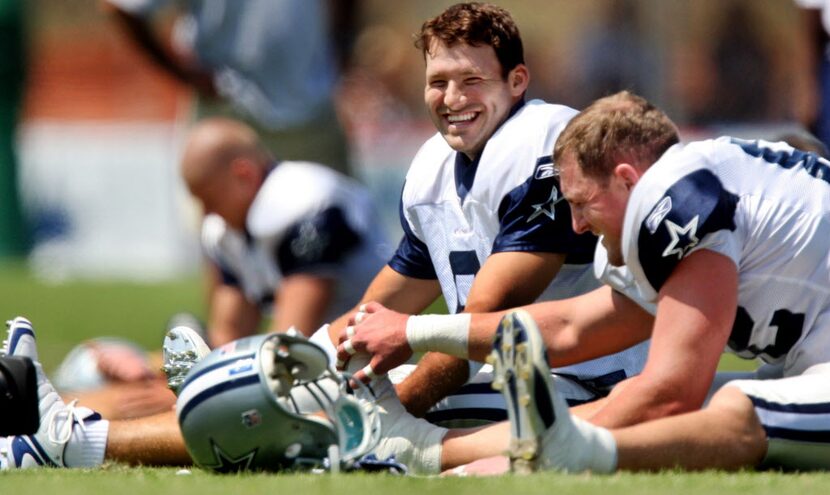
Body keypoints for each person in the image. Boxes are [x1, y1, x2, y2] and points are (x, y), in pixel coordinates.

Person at [454, 91, 830, 474]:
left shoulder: (681, 201)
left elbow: (671, 393)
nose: (577, 226)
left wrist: (566, 449)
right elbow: (573, 328)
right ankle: (436, 450)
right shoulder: (709, 189)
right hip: (809, 364)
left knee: (733, 408)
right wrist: (414, 332)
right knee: (634, 398)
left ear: (627, 181)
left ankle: (572, 454)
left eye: (582, 203)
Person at [331, 1, 648, 425]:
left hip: (597, 380)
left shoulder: (546, 146)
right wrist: (300, 360)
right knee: (326, 395)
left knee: (371, 414)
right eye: (438, 82)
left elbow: (485, 321)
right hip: (504, 372)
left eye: (472, 80)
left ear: (517, 81)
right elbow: (371, 314)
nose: (452, 98)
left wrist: (367, 421)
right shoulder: (432, 168)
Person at [178, 117, 387, 346]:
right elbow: (229, 334)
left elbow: (291, 339)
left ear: (243, 175)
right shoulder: (224, 232)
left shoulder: (305, 197)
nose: (207, 212)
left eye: (211, 198)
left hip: (366, 354)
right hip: (314, 357)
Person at [104, 0, 356, 176]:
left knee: (340, 239)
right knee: (222, 242)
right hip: (225, 114)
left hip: (311, 115)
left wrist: (342, 45)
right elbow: (121, 7)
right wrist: (184, 75)